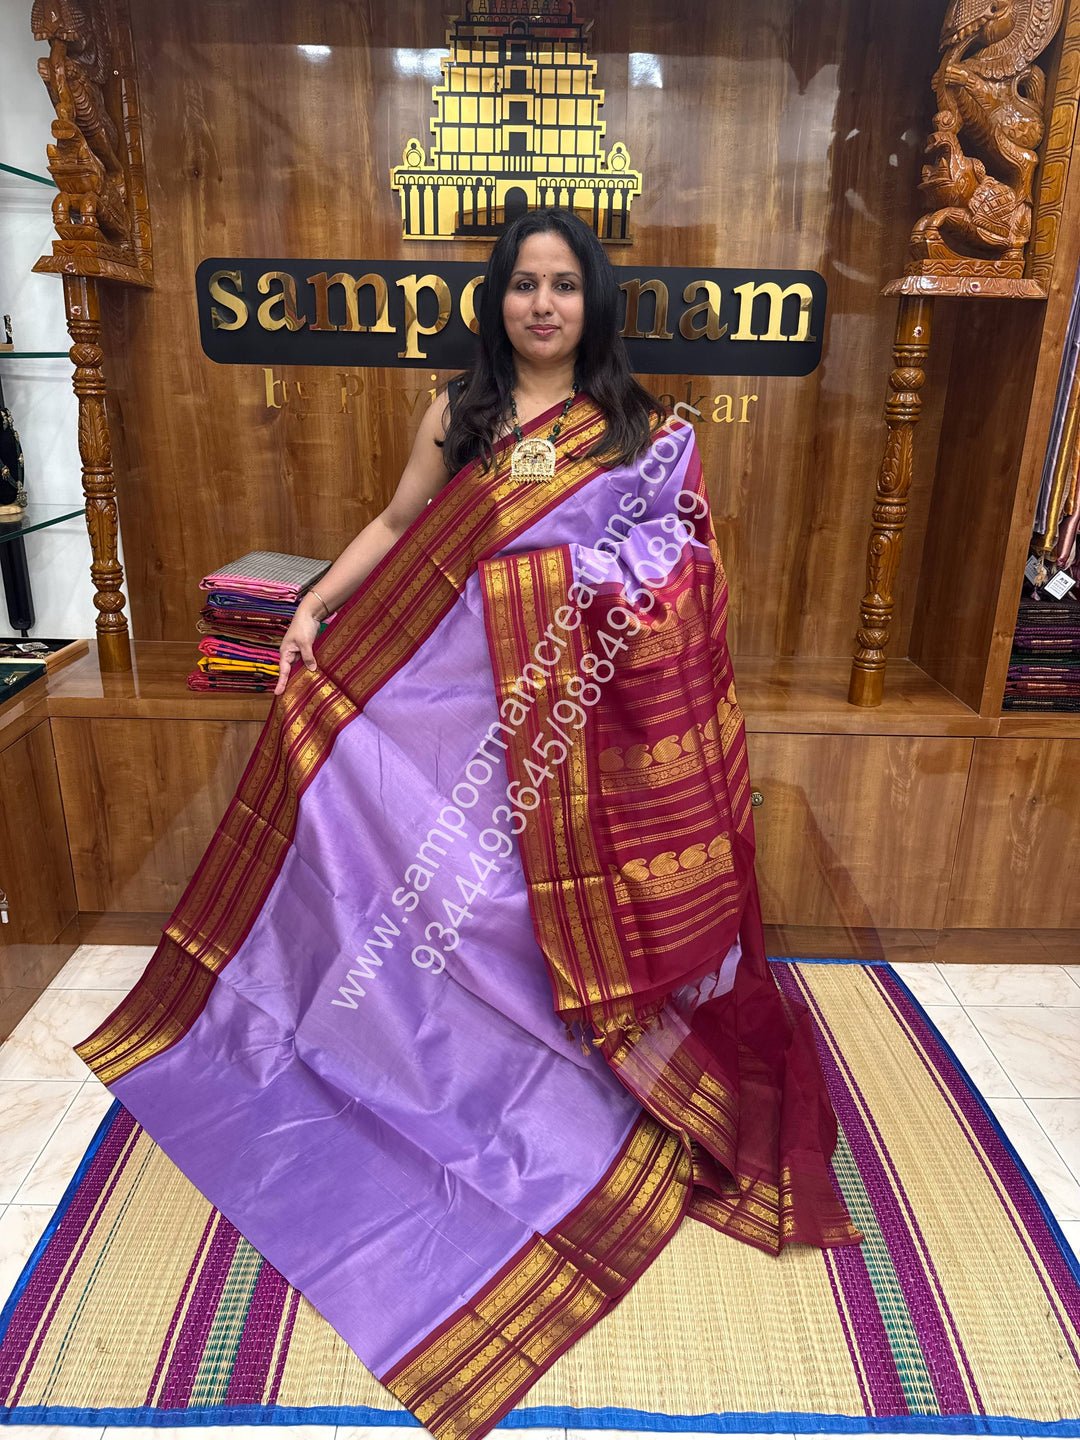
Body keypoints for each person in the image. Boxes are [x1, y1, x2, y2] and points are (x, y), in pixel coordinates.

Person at [74, 208, 861, 1440]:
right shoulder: (462, 414)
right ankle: (420, 1050)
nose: (542, 304)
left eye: (564, 285)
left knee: (532, 905)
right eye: (523, 285)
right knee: (444, 890)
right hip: (453, 711)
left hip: (577, 735)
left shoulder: (644, 432)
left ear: (594, 302)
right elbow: (399, 526)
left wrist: (594, 587)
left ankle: (573, 1068)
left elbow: (689, 578)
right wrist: (313, 611)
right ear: (496, 300)